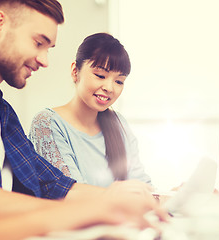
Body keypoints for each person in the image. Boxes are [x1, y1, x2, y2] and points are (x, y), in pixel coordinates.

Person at [0, 0, 167, 239]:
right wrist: (96, 209)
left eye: (48, 48)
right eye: (38, 43)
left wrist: (124, 200)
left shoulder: (2, 110)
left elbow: (51, 182)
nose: (44, 60)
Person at [29, 32, 152, 187]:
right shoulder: (48, 123)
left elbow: (140, 182)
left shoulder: (119, 124)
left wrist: (172, 196)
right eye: (100, 76)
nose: (109, 88)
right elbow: (71, 192)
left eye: (119, 81)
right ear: (75, 71)